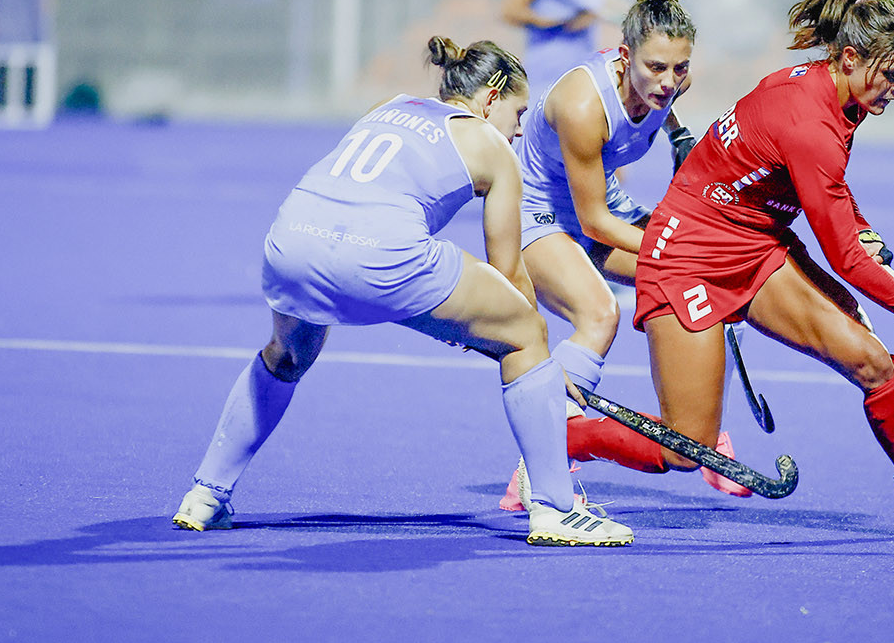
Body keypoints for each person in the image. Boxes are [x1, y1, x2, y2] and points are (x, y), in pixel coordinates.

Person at [172, 36, 632, 547]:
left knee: (288, 355)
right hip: (381, 256)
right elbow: (511, 277)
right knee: (525, 333)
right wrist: (539, 365)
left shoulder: (387, 106)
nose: (521, 127)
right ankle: (554, 510)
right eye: (518, 111)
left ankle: (206, 495)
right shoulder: (493, 146)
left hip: (291, 242)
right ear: (491, 95)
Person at [630, 0, 894, 544]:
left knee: (876, 364)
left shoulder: (839, 94)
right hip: (689, 256)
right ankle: (554, 441)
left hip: (758, 247)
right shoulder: (811, 121)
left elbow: (828, 192)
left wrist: (862, 227)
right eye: (891, 75)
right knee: (687, 448)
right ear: (852, 57)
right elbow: (846, 260)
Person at [499, 0, 745, 506]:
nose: (668, 81)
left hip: (602, 205)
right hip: (539, 214)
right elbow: (593, 225)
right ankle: (542, 462)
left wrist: (679, 133)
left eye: (680, 69)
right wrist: (674, 244)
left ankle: (706, 434)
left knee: (717, 283)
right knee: (599, 313)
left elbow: (665, 107)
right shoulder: (584, 105)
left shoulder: (670, 82)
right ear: (624, 54)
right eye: (656, 67)